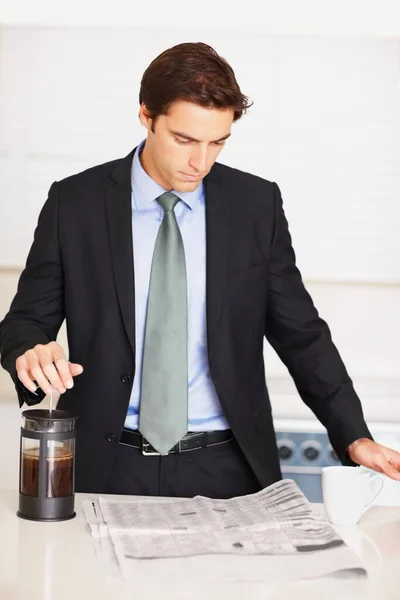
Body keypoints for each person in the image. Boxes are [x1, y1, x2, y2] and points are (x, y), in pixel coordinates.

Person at [1, 42, 399, 497]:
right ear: (147, 116)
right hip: (105, 464)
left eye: (218, 143)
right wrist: (28, 351)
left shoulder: (256, 205)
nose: (201, 162)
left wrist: (353, 434)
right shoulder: (74, 203)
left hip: (228, 466)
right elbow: (26, 321)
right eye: (185, 140)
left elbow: (301, 333)